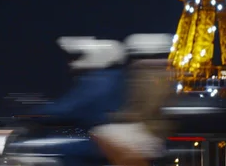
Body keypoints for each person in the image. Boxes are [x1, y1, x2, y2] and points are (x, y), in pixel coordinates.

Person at [22, 37, 128, 159]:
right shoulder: (116, 77)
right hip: (109, 136)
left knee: (40, 150)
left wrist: (32, 116)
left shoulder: (98, 80)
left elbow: (68, 108)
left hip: (104, 138)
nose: (71, 61)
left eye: (78, 56)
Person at [90, 33, 174, 166]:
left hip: (148, 129)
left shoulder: (149, 75)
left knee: (100, 134)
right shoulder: (160, 73)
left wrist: (119, 116)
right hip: (148, 128)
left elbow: (148, 107)